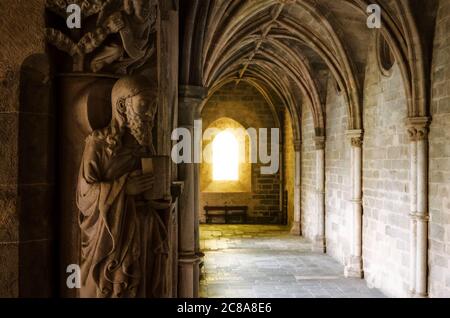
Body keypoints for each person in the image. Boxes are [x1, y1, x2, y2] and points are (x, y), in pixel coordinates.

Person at [76, 75, 170, 298]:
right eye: (145, 104)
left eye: (154, 106)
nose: (150, 113)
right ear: (121, 105)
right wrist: (124, 189)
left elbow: (150, 191)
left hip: (143, 232)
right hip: (113, 239)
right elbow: (85, 195)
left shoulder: (144, 146)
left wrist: (160, 198)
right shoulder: (97, 144)